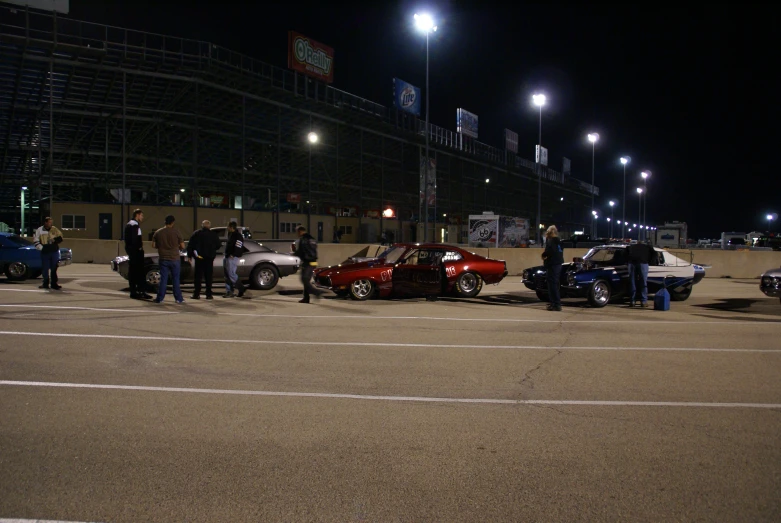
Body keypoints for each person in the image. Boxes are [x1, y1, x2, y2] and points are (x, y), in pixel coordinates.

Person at [152, 215, 185, 304]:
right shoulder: (177, 232)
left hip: (163, 258)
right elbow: (182, 246)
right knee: (175, 279)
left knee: (163, 279)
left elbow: (153, 245)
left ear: (165, 222)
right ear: (173, 222)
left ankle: (160, 298)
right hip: (175, 258)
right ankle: (178, 298)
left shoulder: (158, 232)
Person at [187, 219, 221, 300]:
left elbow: (190, 245)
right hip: (209, 259)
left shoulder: (196, 234)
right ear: (209, 226)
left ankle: (196, 294)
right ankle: (208, 294)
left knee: (198, 277)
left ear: (202, 225)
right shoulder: (213, 235)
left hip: (199, 258)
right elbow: (218, 245)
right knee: (208, 277)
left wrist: (190, 256)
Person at [124, 209, 151, 300]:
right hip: (136, 253)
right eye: (141, 216)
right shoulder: (134, 225)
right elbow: (135, 240)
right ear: (137, 215)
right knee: (139, 272)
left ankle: (135, 291)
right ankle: (140, 291)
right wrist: (138, 249)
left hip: (132, 252)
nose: (142, 218)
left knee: (133, 272)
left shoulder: (129, 225)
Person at [33, 217, 64, 290]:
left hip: (54, 251)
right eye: (49, 222)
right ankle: (45, 283)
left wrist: (54, 240)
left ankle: (54, 284)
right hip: (45, 252)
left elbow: (61, 238)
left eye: (51, 222)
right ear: (45, 222)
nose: (51, 224)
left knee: (54, 268)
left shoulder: (54, 229)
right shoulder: (39, 230)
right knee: (45, 268)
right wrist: (42, 248)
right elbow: (36, 241)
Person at [295, 225, 323, 303]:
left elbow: (301, 251)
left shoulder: (303, 239)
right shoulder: (312, 239)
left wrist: (294, 255)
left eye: (297, 232)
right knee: (306, 280)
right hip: (313, 261)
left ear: (300, 231)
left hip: (308, 262)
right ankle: (306, 298)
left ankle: (316, 292)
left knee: (304, 279)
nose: (297, 234)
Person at [541, 225, 564, 311]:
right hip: (558, 264)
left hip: (553, 264)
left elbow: (550, 252)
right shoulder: (559, 241)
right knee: (554, 283)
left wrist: (544, 255)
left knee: (552, 284)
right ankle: (555, 303)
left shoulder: (551, 241)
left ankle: (556, 304)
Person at [222, 221, 248, 298]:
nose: (227, 228)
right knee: (227, 275)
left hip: (232, 257)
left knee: (231, 274)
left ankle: (241, 288)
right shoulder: (231, 234)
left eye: (228, 227)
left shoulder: (238, 236)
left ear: (231, 227)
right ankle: (229, 291)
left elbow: (239, 246)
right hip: (227, 256)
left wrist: (233, 254)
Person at [627, 241, 655, 307]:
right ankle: (643, 301)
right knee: (643, 282)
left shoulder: (630, 247)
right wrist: (650, 261)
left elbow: (624, 255)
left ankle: (632, 301)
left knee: (632, 282)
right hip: (643, 263)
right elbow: (654, 254)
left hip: (632, 263)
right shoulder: (648, 247)